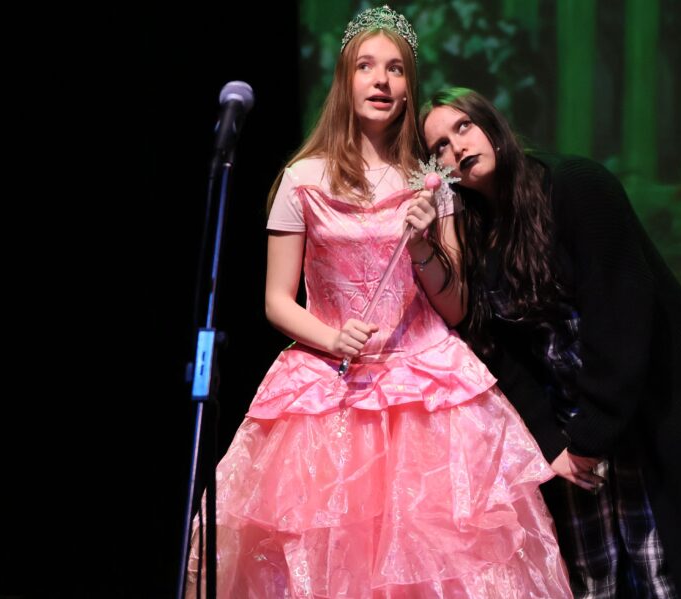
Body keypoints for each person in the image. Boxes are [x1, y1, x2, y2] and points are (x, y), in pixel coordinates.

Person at [186, 8, 572, 597]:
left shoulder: (429, 181)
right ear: (345, 79)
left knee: (442, 558)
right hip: (328, 382)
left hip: (426, 389)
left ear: (408, 87)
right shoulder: (302, 178)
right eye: (366, 66)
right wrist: (329, 337)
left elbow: (455, 306)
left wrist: (421, 245)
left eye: (395, 69)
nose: (381, 80)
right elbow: (275, 300)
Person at [421, 87, 681, 598]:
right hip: (571, 432)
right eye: (438, 146)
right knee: (594, 576)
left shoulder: (574, 186)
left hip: (642, 409)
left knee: (663, 567)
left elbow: (623, 313)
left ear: (493, 126)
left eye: (463, 127)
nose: (455, 148)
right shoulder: (473, 233)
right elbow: (499, 351)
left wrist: (593, 435)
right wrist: (555, 444)